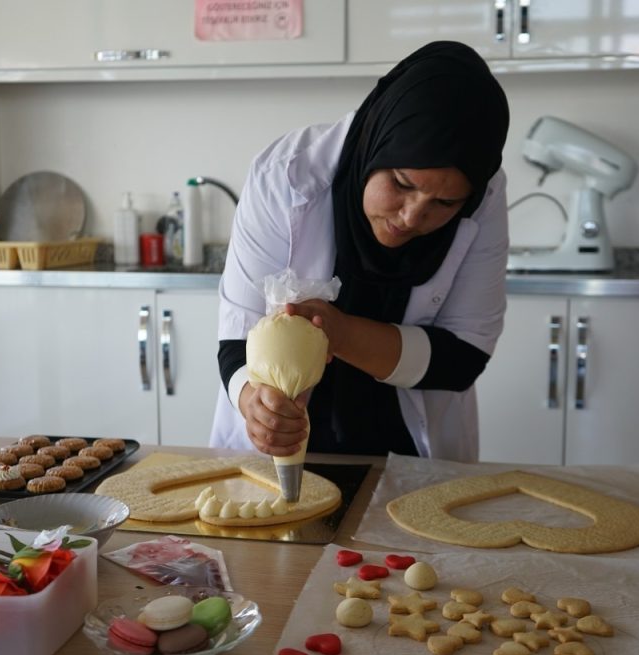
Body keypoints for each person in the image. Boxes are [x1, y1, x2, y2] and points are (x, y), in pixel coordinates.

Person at [209, 41, 510, 462]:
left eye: (443, 204)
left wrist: (339, 332)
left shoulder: (485, 195)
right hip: (286, 443)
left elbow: (462, 357)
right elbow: (239, 335)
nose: (410, 216)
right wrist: (254, 404)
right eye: (402, 184)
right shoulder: (286, 174)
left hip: (409, 449)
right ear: (378, 145)